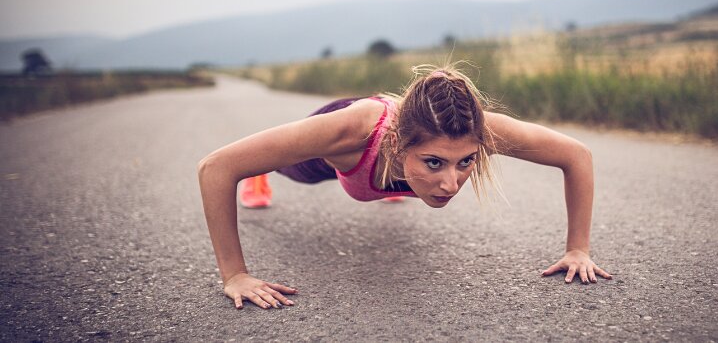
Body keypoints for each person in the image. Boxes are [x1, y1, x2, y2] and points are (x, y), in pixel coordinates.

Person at [197, 64, 612, 310]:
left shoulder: (479, 130)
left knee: (431, 169)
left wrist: (578, 248)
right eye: (434, 163)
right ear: (397, 146)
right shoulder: (344, 132)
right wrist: (235, 276)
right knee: (288, 168)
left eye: (465, 162)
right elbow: (216, 168)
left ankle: (398, 180)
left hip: (396, 137)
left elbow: (577, 156)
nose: (451, 184)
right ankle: (262, 170)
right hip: (344, 143)